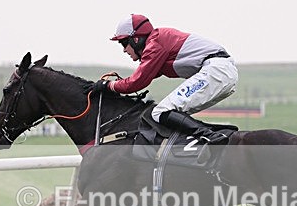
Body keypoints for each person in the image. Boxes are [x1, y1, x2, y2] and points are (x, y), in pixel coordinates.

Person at [92, 14, 238, 145]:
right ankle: (218, 135)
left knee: (160, 112)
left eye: (124, 43)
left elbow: (137, 82)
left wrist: (108, 85)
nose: (124, 50)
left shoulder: (154, 44)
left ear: (135, 39)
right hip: (220, 72)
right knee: (175, 115)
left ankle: (212, 138)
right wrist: (116, 85)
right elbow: (144, 76)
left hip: (216, 71)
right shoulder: (157, 41)